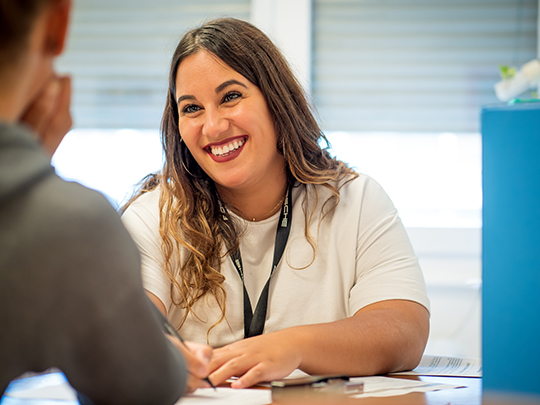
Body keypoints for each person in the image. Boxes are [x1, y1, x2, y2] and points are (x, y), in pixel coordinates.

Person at [122, 17, 431, 389]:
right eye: (191, 108)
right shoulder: (152, 217)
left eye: (230, 97)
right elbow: (126, 332)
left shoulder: (355, 199)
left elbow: (405, 330)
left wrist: (292, 347)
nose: (214, 126)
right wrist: (155, 357)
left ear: (276, 99)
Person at [0, 0, 212, 402]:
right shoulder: (65, 226)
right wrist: (31, 162)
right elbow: (139, 385)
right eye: (192, 108)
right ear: (58, 22)